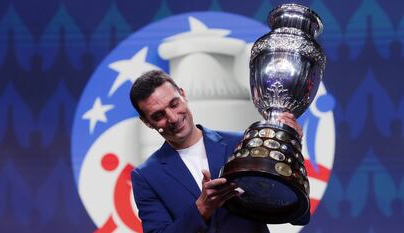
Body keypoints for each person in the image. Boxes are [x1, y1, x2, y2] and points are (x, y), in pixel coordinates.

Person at [129, 70, 306, 233]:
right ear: (146, 122)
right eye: (158, 116)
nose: (173, 118)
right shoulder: (146, 176)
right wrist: (202, 208)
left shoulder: (243, 143)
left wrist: (289, 146)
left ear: (183, 94)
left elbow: (298, 215)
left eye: (174, 104)